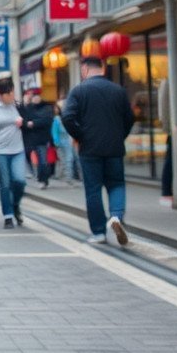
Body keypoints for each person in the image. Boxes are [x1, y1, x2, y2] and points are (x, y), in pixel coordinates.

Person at [62, 57, 137, 247]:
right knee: (117, 184)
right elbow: (129, 118)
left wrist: (80, 136)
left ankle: (98, 233)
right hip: (114, 147)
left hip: (90, 149)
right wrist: (120, 136)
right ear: (102, 68)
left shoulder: (79, 91)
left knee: (93, 190)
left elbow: (67, 117)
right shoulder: (118, 91)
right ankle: (116, 216)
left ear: (85, 69)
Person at [0, 79, 29, 229]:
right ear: (2, 95)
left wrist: (25, 122)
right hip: (0, 152)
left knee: (20, 181)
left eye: (13, 92)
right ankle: (8, 216)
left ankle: (15, 205)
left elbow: (30, 122)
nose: (12, 95)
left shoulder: (18, 107)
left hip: (18, 151)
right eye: (9, 93)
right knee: (5, 184)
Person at [22, 90, 55, 189]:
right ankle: (36, 176)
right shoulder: (28, 108)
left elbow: (47, 121)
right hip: (29, 139)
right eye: (33, 97)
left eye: (37, 96)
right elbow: (24, 121)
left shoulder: (47, 108)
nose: (35, 99)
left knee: (42, 161)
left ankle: (43, 180)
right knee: (29, 159)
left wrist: (33, 123)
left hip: (42, 139)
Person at [51, 99, 78, 185]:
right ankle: (66, 177)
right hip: (61, 142)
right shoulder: (57, 119)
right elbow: (54, 132)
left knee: (69, 159)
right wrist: (56, 142)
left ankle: (68, 178)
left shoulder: (69, 117)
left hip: (68, 140)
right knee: (65, 160)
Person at [158, 77, 173, 206]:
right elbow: (164, 109)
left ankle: (167, 190)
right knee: (170, 160)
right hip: (173, 131)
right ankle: (166, 191)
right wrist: (168, 128)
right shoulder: (167, 82)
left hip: (174, 130)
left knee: (170, 159)